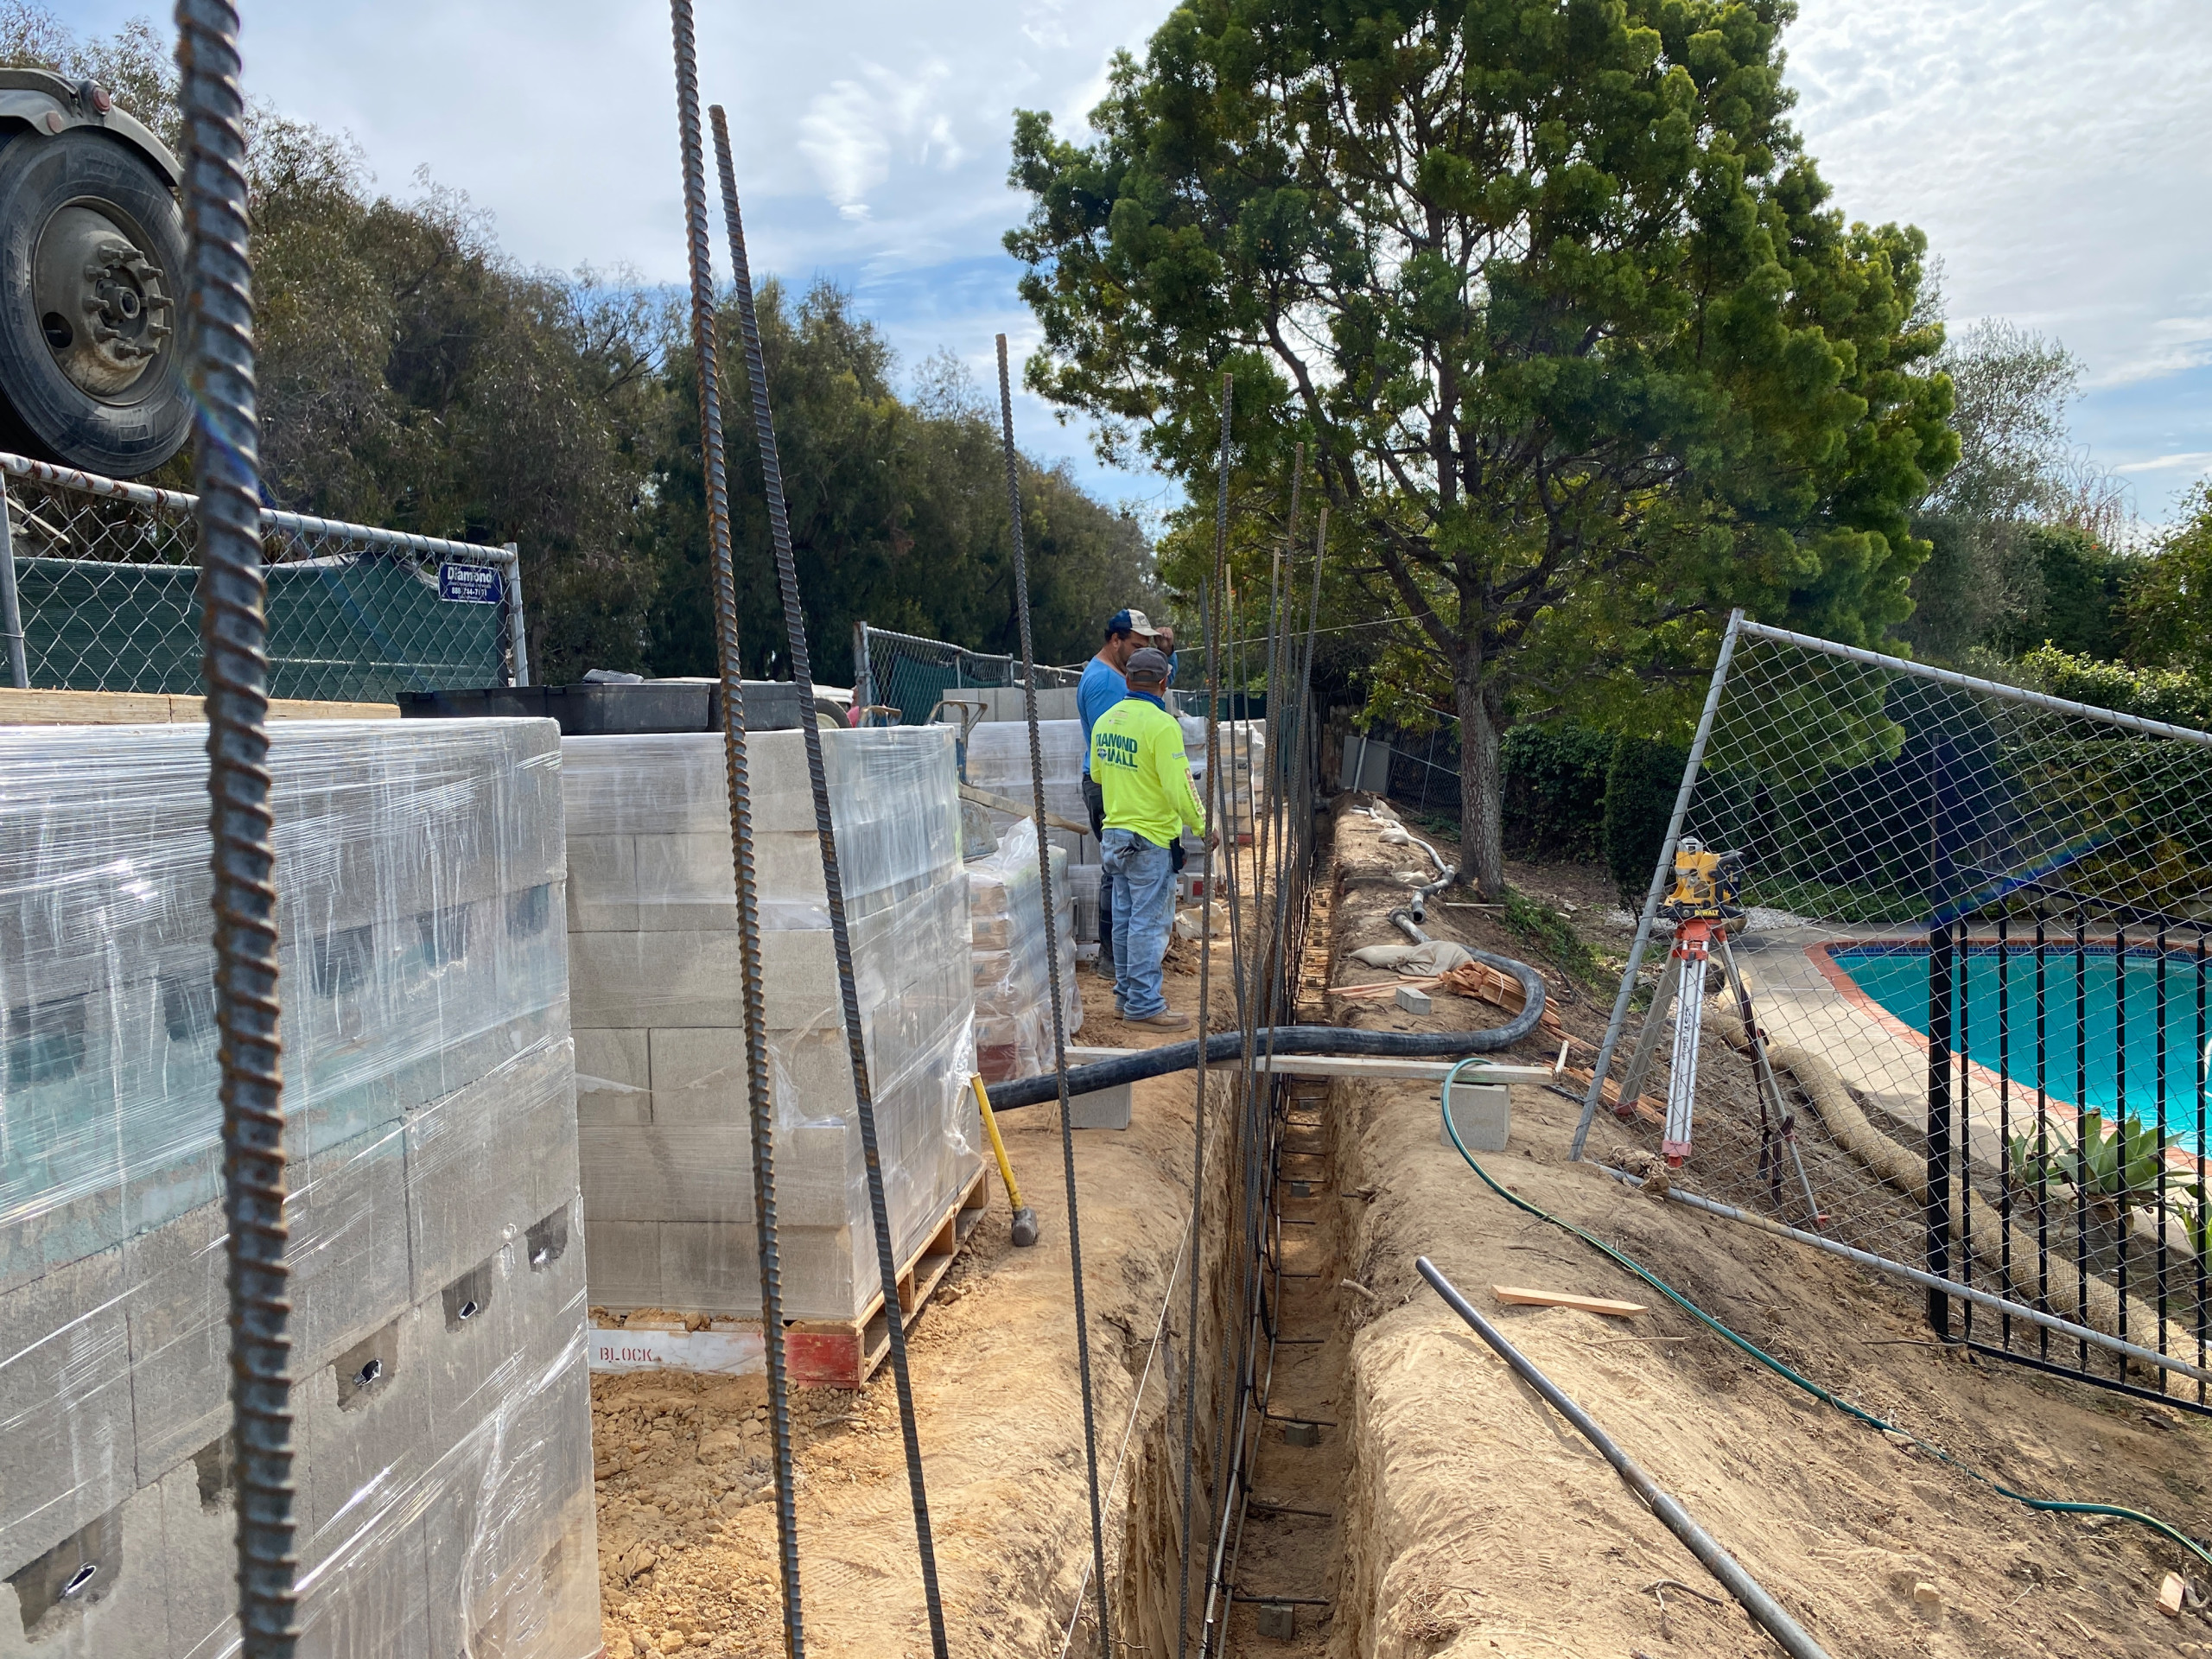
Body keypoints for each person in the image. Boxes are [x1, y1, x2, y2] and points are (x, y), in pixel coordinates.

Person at [1091, 647, 1213, 1028]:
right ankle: (1143, 1005)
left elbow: (1097, 775)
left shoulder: (1106, 721)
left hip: (1115, 836)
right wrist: (1203, 825)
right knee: (1148, 923)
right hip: (1149, 840)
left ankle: (1126, 997)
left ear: (1127, 679)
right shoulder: (1162, 726)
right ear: (1164, 683)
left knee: (1126, 920)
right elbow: (1180, 787)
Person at [1077, 607, 1158, 980]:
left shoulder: (1111, 676)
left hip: (1111, 783)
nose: (1140, 652)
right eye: (1136, 645)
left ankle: (1118, 959)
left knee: (1119, 868)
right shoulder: (1104, 682)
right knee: (1117, 870)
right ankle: (1113, 960)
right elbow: (1112, 742)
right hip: (1108, 784)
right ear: (1115, 640)